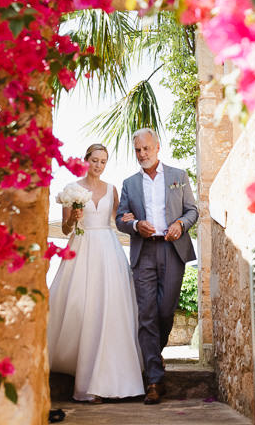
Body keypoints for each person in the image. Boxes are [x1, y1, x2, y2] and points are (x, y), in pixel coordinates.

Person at [47, 143, 144, 403]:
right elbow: (66, 229)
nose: (99, 165)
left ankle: (115, 377)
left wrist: (135, 220)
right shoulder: (73, 189)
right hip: (82, 247)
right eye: (95, 160)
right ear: (86, 160)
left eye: (103, 161)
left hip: (108, 250)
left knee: (111, 309)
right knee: (84, 308)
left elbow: (119, 220)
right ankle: (87, 382)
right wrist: (73, 217)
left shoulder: (112, 190)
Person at [115, 128, 198, 405]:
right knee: (147, 314)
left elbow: (192, 211)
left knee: (165, 311)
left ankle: (154, 355)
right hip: (144, 252)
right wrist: (136, 225)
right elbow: (120, 219)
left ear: (157, 147)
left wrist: (180, 224)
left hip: (173, 249)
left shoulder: (179, 176)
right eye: (138, 150)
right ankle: (154, 379)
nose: (142, 154)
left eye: (147, 148)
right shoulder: (129, 183)